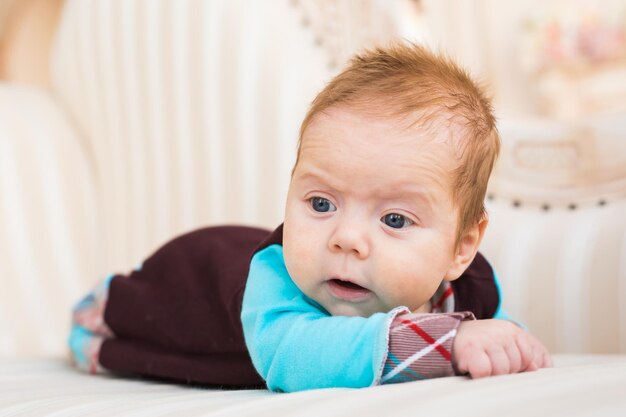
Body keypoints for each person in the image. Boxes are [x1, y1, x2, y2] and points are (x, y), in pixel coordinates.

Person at [68, 42, 552, 392]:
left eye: (396, 220)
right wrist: (450, 343)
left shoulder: (474, 285)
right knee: (130, 320)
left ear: (461, 249)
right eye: (321, 204)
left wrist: (504, 344)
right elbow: (291, 357)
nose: (346, 239)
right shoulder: (273, 279)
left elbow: (493, 339)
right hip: (187, 283)